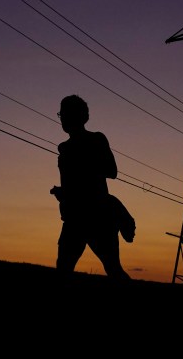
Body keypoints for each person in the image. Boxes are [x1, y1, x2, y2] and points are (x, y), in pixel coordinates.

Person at [50, 94, 131, 280]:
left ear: (82, 117)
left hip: (98, 218)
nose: (63, 118)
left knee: (113, 269)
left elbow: (112, 171)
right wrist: (63, 192)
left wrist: (83, 167)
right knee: (63, 267)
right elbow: (72, 183)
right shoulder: (63, 148)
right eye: (61, 114)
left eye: (66, 114)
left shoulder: (97, 139)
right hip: (73, 218)